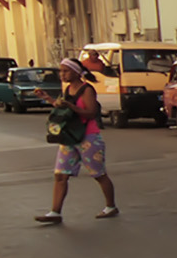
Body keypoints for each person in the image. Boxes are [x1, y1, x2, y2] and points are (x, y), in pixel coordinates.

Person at [37, 57, 118, 223]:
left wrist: (72, 107)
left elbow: (91, 113)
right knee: (60, 175)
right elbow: (63, 108)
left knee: (98, 174)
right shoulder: (68, 89)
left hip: (88, 137)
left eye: (66, 71)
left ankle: (111, 206)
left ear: (76, 72)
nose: (62, 75)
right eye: (61, 71)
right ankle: (55, 212)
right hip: (70, 137)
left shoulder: (87, 89)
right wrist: (48, 99)